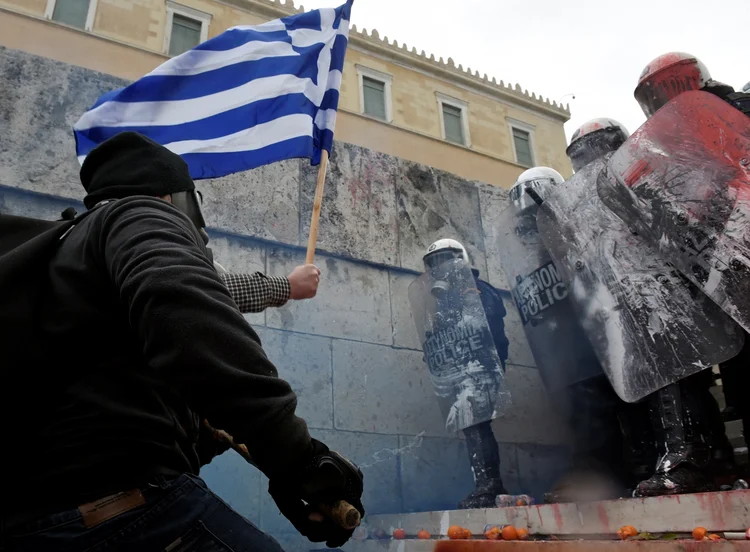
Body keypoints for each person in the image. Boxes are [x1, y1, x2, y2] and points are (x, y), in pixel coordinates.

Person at [0, 132, 364, 551]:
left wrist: (252, 456)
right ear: (174, 197)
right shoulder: (139, 213)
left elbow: (119, 406)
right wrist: (298, 456)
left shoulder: (65, 261)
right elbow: (186, 312)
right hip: (122, 508)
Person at [633, 52, 749, 490]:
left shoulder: (739, 110)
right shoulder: (660, 146)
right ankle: (701, 458)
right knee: (704, 357)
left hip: (742, 248)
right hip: (705, 265)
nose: (667, 100)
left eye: (673, 86)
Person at [418, 239, 517, 509]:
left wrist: (466, 297)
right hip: (460, 370)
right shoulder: (445, 301)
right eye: (434, 263)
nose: (439, 268)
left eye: (444, 260)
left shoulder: (479, 290)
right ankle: (485, 484)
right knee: (471, 426)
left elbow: (485, 320)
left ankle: (490, 485)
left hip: (482, 367)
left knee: (478, 423)